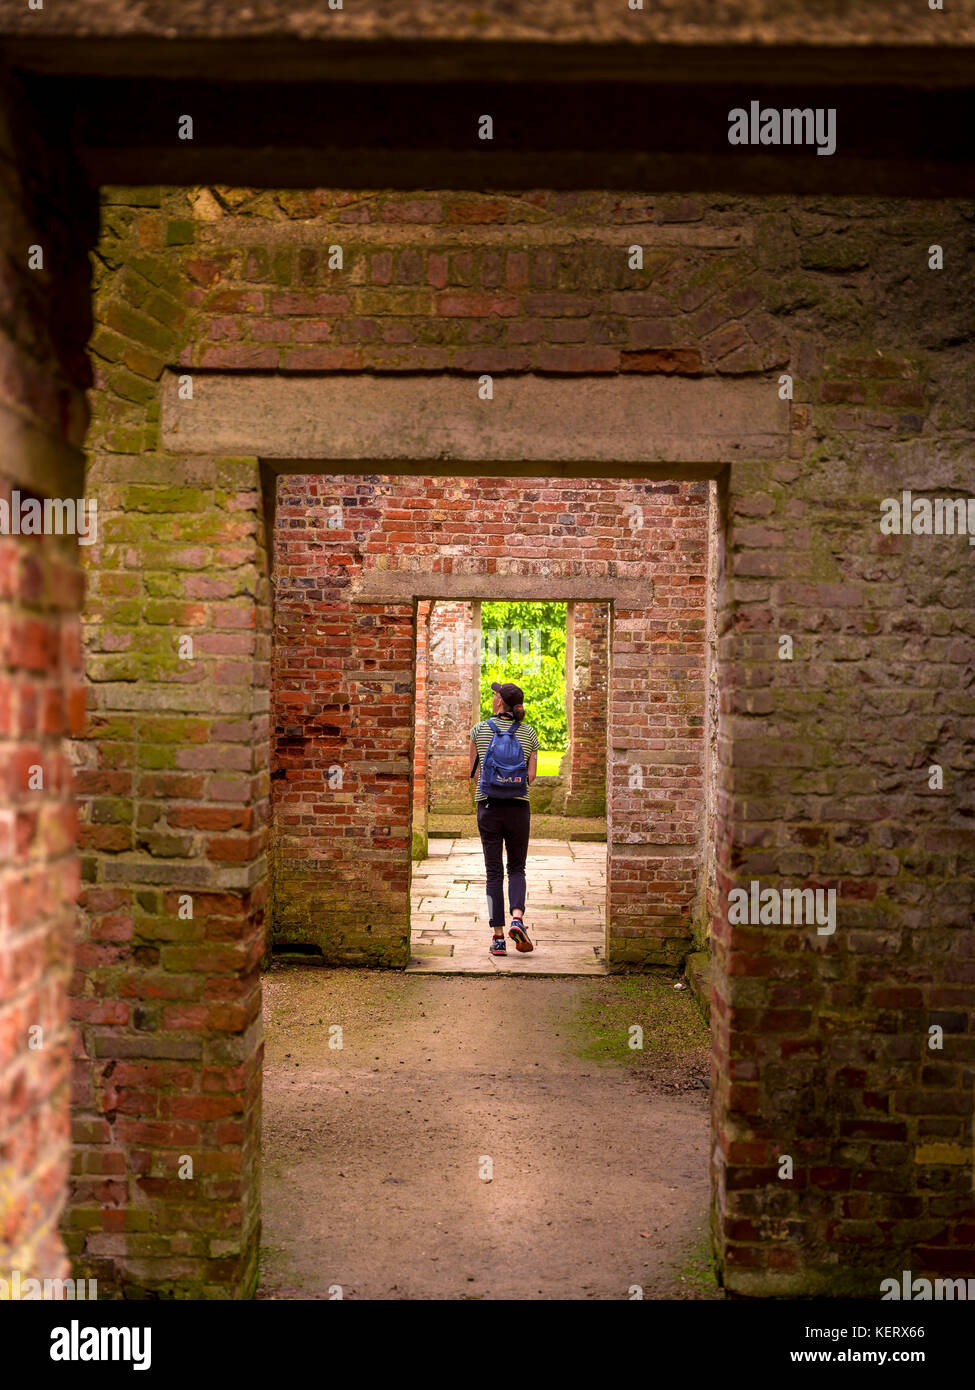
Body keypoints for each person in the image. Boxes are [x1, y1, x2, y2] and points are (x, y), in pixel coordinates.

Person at [469, 681, 540, 958]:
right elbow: (530, 778)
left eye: (495, 694)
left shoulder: (479, 730)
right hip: (518, 809)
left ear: (499, 702)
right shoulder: (529, 733)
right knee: (517, 868)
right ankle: (518, 918)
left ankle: (498, 938)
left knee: (493, 873)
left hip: (488, 807)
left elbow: (474, 773)